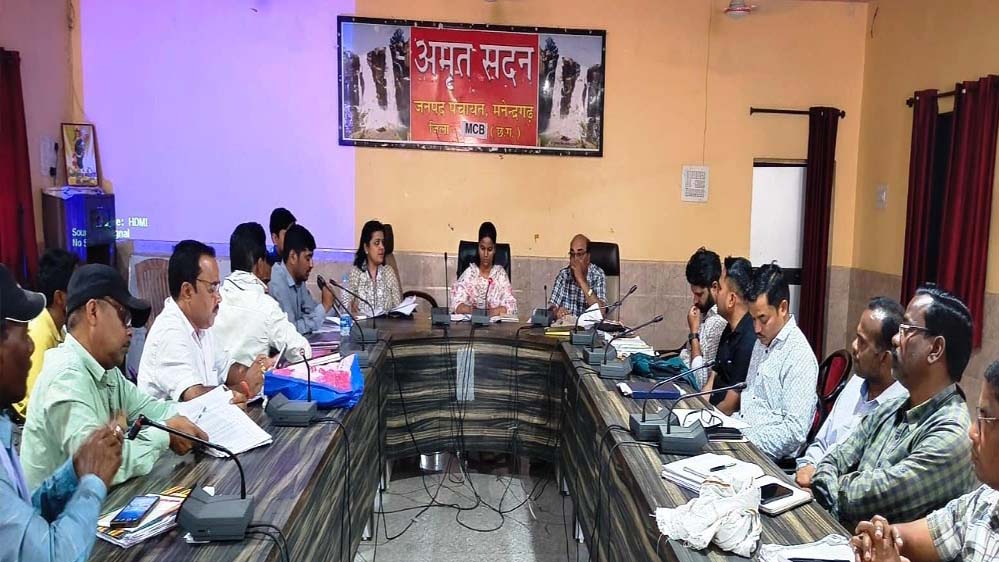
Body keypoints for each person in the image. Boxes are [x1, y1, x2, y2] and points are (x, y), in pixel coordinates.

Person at [21, 264, 206, 489]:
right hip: (62, 511)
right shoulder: (65, 378)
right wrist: (164, 435)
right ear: (93, 312)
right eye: (124, 316)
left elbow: (157, 411)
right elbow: (99, 466)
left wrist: (212, 410)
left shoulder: (107, 372)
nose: (130, 331)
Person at [812, 284, 975, 528]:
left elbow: (873, 502)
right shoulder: (894, 406)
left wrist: (831, 487)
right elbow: (834, 458)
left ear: (935, 349)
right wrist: (830, 479)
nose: (896, 339)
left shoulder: (951, 434)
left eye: (907, 329)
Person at [0, 264, 124, 562]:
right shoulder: (65, 373)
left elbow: (22, 525)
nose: (32, 347)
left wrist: (74, 472)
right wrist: (92, 482)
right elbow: (53, 556)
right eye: (23, 335)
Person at [850, 360, 999, 562]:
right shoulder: (985, 500)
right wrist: (879, 538)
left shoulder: (949, 431)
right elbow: (912, 536)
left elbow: (869, 496)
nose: (972, 432)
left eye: (985, 418)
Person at [795, 297, 908, 489]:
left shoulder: (898, 409)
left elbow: (866, 484)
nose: (854, 346)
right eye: (856, 337)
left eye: (862, 342)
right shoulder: (856, 383)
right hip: (806, 482)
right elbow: (821, 443)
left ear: (885, 358)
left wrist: (816, 480)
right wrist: (807, 466)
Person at [138, 240, 264, 402]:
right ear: (187, 291)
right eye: (212, 289)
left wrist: (255, 373)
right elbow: (194, 397)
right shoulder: (169, 331)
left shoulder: (201, 325)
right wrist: (241, 389)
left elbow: (226, 369)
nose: (219, 297)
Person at [735, 263, 818, 460]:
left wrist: (742, 441)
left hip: (766, 458)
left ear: (783, 308)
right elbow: (750, 404)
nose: (756, 328)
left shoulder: (799, 356)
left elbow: (794, 433)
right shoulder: (763, 341)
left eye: (763, 319)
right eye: (752, 319)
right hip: (743, 438)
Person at [214, 222, 311, 368]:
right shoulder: (266, 306)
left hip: (217, 381)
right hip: (251, 381)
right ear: (259, 264)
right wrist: (273, 362)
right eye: (267, 260)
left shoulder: (214, 300)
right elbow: (302, 352)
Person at [14, 249, 79, 418]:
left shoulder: (60, 329)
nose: (83, 296)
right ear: (60, 298)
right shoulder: (39, 331)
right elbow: (33, 402)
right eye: (77, 290)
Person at [702, 256, 756, 414]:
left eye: (719, 288)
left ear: (731, 299)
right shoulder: (728, 329)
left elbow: (730, 405)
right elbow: (712, 380)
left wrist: (706, 419)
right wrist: (697, 409)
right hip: (710, 413)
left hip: (724, 421)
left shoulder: (749, 339)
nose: (715, 293)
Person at [269, 224, 336, 334]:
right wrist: (324, 306)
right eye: (307, 258)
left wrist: (330, 304)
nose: (311, 265)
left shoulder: (298, 279)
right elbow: (290, 331)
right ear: (293, 257)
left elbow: (312, 311)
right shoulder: (277, 283)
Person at [678, 247, 728, 389]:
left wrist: (694, 333)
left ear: (714, 287)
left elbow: (699, 380)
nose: (695, 300)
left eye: (699, 294)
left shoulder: (718, 322)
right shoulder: (706, 315)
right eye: (693, 294)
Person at [451, 222, 517, 316]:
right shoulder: (470, 273)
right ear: (478, 248)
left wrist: (491, 312)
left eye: (489, 249)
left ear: (494, 250)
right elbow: (455, 304)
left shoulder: (500, 275)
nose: (485, 254)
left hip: (496, 324)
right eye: (482, 248)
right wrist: (471, 310)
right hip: (471, 324)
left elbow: (512, 307)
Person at [345, 220, 402, 316]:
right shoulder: (356, 273)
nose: (382, 247)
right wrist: (351, 308)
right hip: (363, 325)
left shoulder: (389, 272)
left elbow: (398, 308)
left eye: (383, 243)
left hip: (387, 324)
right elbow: (345, 308)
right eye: (376, 243)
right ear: (366, 248)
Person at [548, 234, 606, 319]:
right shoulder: (564, 275)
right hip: (567, 325)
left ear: (588, 257)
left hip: (589, 326)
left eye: (580, 254)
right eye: (572, 254)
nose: (575, 259)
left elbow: (601, 312)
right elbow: (552, 306)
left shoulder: (597, 275)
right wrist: (556, 311)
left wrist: (581, 280)